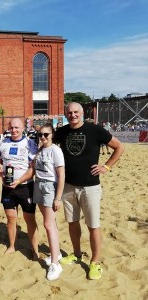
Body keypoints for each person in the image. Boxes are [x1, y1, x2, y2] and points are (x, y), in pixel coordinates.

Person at [55, 102, 124, 280]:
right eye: (69, 112)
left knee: (93, 225)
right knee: (72, 223)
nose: (73, 115)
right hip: (68, 186)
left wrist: (106, 167)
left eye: (76, 112)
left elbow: (119, 147)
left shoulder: (95, 130)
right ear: (65, 114)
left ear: (82, 112)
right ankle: (76, 253)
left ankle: (95, 261)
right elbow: (47, 144)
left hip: (90, 186)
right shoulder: (61, 132)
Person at [0, 118, 39, 258]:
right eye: (11, 127)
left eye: (17, 127)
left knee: (29, 219)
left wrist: (19, 180)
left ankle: (35, 249)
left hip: (26, 187)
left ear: (23, 128)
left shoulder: (29, 144)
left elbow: (33, 169)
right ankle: (12, 246)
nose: (14, 130)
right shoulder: (3, 143)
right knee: (11, 218)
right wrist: (1, 175)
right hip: (8, 187)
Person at [32, 123, 65, 281]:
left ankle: (55, 264)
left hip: (50, 187)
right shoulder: (40, 150)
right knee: (50, 224)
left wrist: (58, 197)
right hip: (38, 184)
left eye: (46, 134)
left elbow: (61, 174)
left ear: (52, 135)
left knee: (48, 224)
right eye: (40, 135)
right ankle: (56, 252)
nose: (43, 137)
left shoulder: (55, 150)